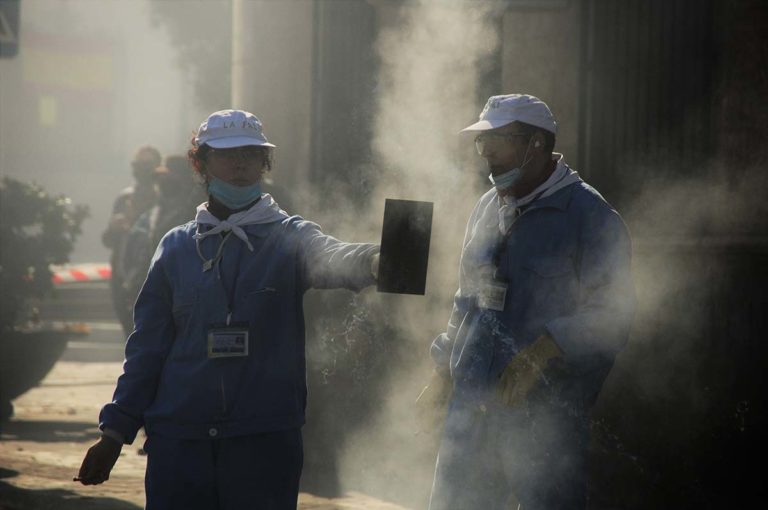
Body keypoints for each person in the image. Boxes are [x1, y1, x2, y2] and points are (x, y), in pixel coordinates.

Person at [77, 109, 380, 510]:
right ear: (200, 163)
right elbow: (147, 348)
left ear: (265, 163)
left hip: (261, 443)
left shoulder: (289, 237)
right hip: (180, 443)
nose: (240, 164)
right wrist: (114, 434)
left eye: (252, 154)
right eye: (227, 154)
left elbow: (334, 256)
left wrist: (378, 262)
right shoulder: (176, 247)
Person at [421, 94, 636, 509]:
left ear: (536, 143)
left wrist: (544, 349)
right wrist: (445, 365)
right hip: (473, 411)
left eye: (498, 140)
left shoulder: (588, 216)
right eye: (482, 142)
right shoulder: (488, 207)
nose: (487, 154)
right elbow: (468, 298)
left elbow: (615, 313)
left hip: (543, 422)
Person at [121, 154, 206, 308]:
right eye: (160, 178)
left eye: (168, 177)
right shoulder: (153, 213)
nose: (162, 182)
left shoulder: (194, 214)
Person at [102, 145, 161, 336]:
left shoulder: (161, 199)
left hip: (148, 274)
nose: (141, 170)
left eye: (147, 164)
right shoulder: (124, 197)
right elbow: (108, 240)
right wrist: (114, 228)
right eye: (137, 164)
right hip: (121, 275)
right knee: (128, 330)